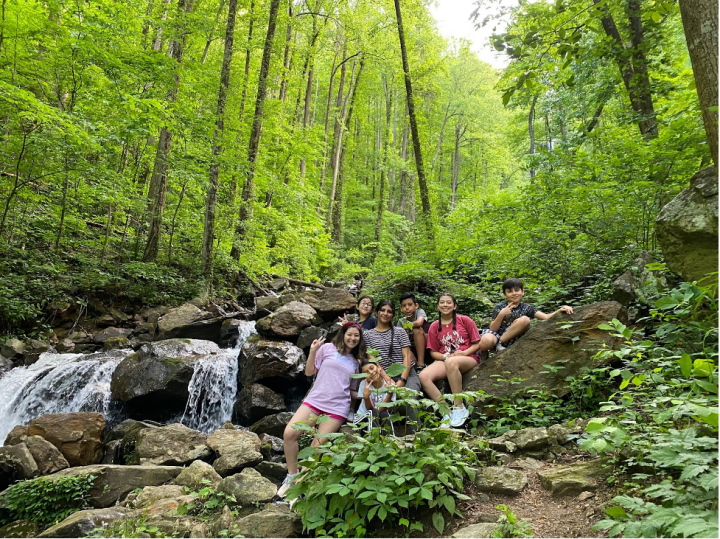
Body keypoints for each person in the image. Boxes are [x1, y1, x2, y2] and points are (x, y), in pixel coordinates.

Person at [279, 322, 366, 497]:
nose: (353, 338)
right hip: (315, 401)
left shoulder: (356, 363)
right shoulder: (327, 348)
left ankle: (300, 486)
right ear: (343, 334)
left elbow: (350, 390)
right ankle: (292, 475)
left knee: (317, 445)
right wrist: (312, 351)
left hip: (337, 407)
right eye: (350, 334)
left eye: (356, 335)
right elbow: (309, 372)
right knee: (289, 434)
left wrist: (369, 394)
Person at [420, 293, 481, 428]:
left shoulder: (464, 320)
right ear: (438, 306)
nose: (445, 305)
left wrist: (464, 352)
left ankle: (459, 406)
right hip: (446, 359)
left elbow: (478, 344)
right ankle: (447, 412)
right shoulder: (434, 326)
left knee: (451, 363)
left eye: (448, 302)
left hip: (468, 358)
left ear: (454, 306)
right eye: (442, 302)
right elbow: (433, 352)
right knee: (423, 376)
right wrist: (445, 356)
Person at [479, 278, 575, 353]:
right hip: (495, 335)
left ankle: (500, 344)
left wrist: (561, 309)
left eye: (517, 290)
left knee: (525, 319)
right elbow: (493, 329)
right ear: (505, 294)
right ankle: (483, 354)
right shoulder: (500, 306)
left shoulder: (526, 307)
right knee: (486, 341)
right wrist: (501, 314)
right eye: (510, 291)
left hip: (509, 338)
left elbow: (546, 317)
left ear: (522, 292)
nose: (514, 293)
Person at [363, 300, 422, 393]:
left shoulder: (400, 332)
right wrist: (387, 379)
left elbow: (406, 356)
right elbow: (373, 361)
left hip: (407, 373)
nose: (385, 313)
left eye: (389, 311)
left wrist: (402, 380)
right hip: (382, 375)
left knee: (411, 397)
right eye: (382, 310)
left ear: (393, 315)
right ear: (377, 313)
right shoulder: (367, 335)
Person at [354, 359, 396, 433]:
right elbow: (369, 408)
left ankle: (389, 439)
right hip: (363, 420)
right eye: (366, 373)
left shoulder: (390, 385)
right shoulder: (364, 384)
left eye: (372, 368)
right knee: (373, 412)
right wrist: (366, 397)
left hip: (379, 417)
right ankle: (372, 440)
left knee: (384, 412)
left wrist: (390, 392)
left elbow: (382, 409)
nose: (371, 372)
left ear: (379, 367)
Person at [396, 293, 429, 371]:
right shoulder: (401, 321)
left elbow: (419, 323)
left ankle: (421, 364)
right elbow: (398, 338)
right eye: (404, 306)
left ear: (416, 305)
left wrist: (406, 326)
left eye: (410, 305)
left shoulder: (419, 312)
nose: (407, 308)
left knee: (416, 329)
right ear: (401, 308)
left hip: (425, 344)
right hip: (410, 347)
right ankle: (416, 367)